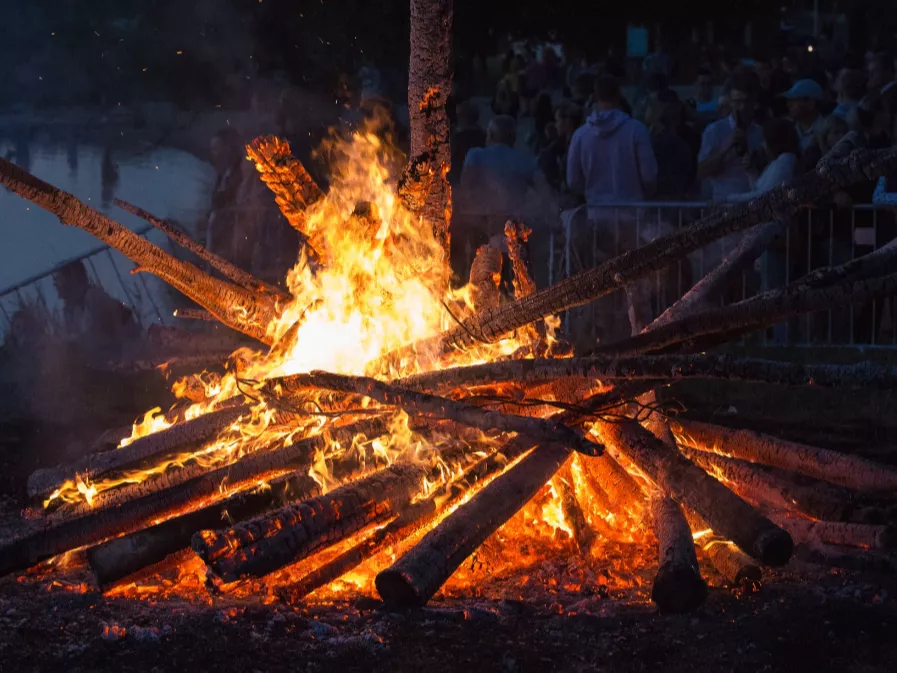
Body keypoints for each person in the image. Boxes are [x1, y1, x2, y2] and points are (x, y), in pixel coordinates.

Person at [723, 119, 800, 344]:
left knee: (775, 290)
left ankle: (780, 343)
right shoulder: (775, 163)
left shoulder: (787, 160)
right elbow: (758, 189)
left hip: (774, 233)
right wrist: (750, 173)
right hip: (763, 234)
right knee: (766, 288)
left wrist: (728, 200)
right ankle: (771, 341)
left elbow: (766, 195)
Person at [455, 115, 550, 282]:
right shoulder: (525, 161)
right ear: (513, 138)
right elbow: (544, 191)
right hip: (515, 231)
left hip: (483, 230)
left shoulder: (475, 155)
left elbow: (465, 188)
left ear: (490, 135)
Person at [566, 75, 658, 208]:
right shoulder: (637, 130)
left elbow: (573, 180)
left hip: (596, 211)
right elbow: (649, 176)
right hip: (632, 210)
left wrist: (591, 193)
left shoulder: (580, 135)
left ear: (595, 96)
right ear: (618, 94)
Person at [53, 260, 141, 364]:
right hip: (98, 364)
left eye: (59, 279)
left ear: (73, 278)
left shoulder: (94, 297)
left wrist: (127, 354)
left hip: (116, 360)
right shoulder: (69, 310)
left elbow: (123, 321)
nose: (55, 284)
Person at [696, 73, 764, 201]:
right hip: (724, 204)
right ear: (730, 102)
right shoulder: (714, 131)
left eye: (747, 101)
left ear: (755, 102)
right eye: (738, 101)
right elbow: (701, 172)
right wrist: (726, 148)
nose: (742, 107)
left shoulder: (761, 133)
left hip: (753, 203)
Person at [649, 89, 698, 198]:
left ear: (679, 106)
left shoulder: (691, 136)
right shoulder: (652, 137)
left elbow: (696, 170)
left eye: (672, 108)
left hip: (685, 195)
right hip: (660, 195)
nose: (670, 113)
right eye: (666, 110)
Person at [781, 79, 825, 151]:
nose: (788, 105)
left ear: (811, 104)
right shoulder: (789, 131)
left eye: (794, 100)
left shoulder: (828, 131)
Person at [449, 100, 486, 185]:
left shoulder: (458, 138)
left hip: (458, 181)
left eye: (458, 114)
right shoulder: (483, 136)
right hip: (477, 183)